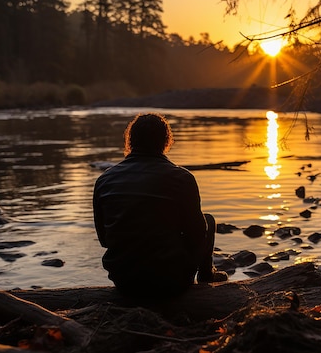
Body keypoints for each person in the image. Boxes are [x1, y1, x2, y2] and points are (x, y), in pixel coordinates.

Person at [93, 112, 227, 299]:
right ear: (166, 141)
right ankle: (206, 276)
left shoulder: (104, 179)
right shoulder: (182, 178)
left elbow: (105, 240)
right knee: (208, 221)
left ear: (130, 141)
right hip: (171, 282)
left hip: (123, 281)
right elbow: (196, 235)